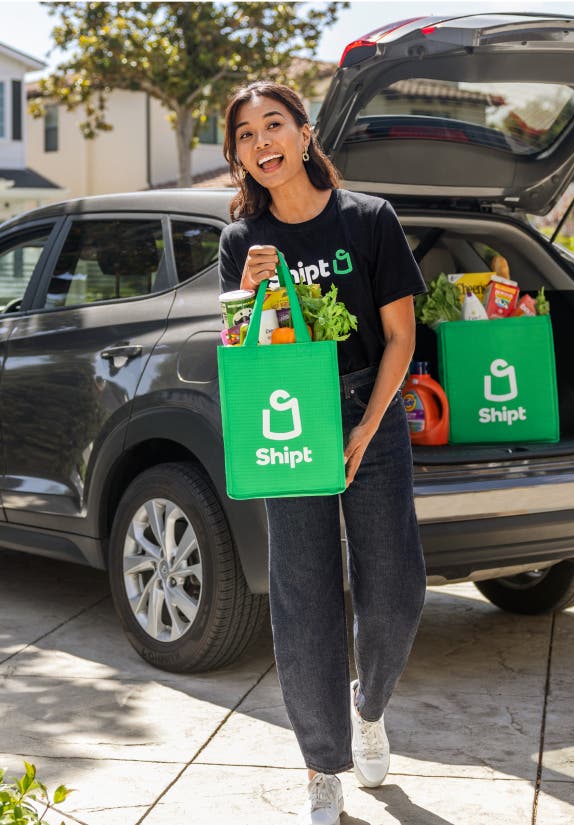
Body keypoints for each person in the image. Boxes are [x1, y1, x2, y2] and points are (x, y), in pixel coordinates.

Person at [217, 81, 428, 825]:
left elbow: (401, 336)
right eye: (244, 134)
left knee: (397, 585)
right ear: (237, 155)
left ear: (305, 135)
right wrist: (245, 301)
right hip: (290, 418)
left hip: (369, 407)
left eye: (273, 125)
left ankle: (369, 707)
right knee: (303, 595)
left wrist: (369, 428)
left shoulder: (368, 221)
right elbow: (243, 354)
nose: (260, 142)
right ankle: (321, 764)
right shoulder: (242, 240)